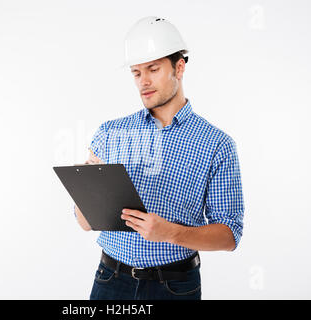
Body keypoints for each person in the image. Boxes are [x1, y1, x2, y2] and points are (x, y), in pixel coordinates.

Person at [74, 16, 244, 300]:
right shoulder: (110, 133)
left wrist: (171, 233)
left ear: (179, 67)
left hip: (175, 286)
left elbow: (230, 235)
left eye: (153, 69)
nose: (144, 81)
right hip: (110, 280)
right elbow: (85, 223)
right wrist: (87, 188)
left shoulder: (218, 144)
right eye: (136, 73)